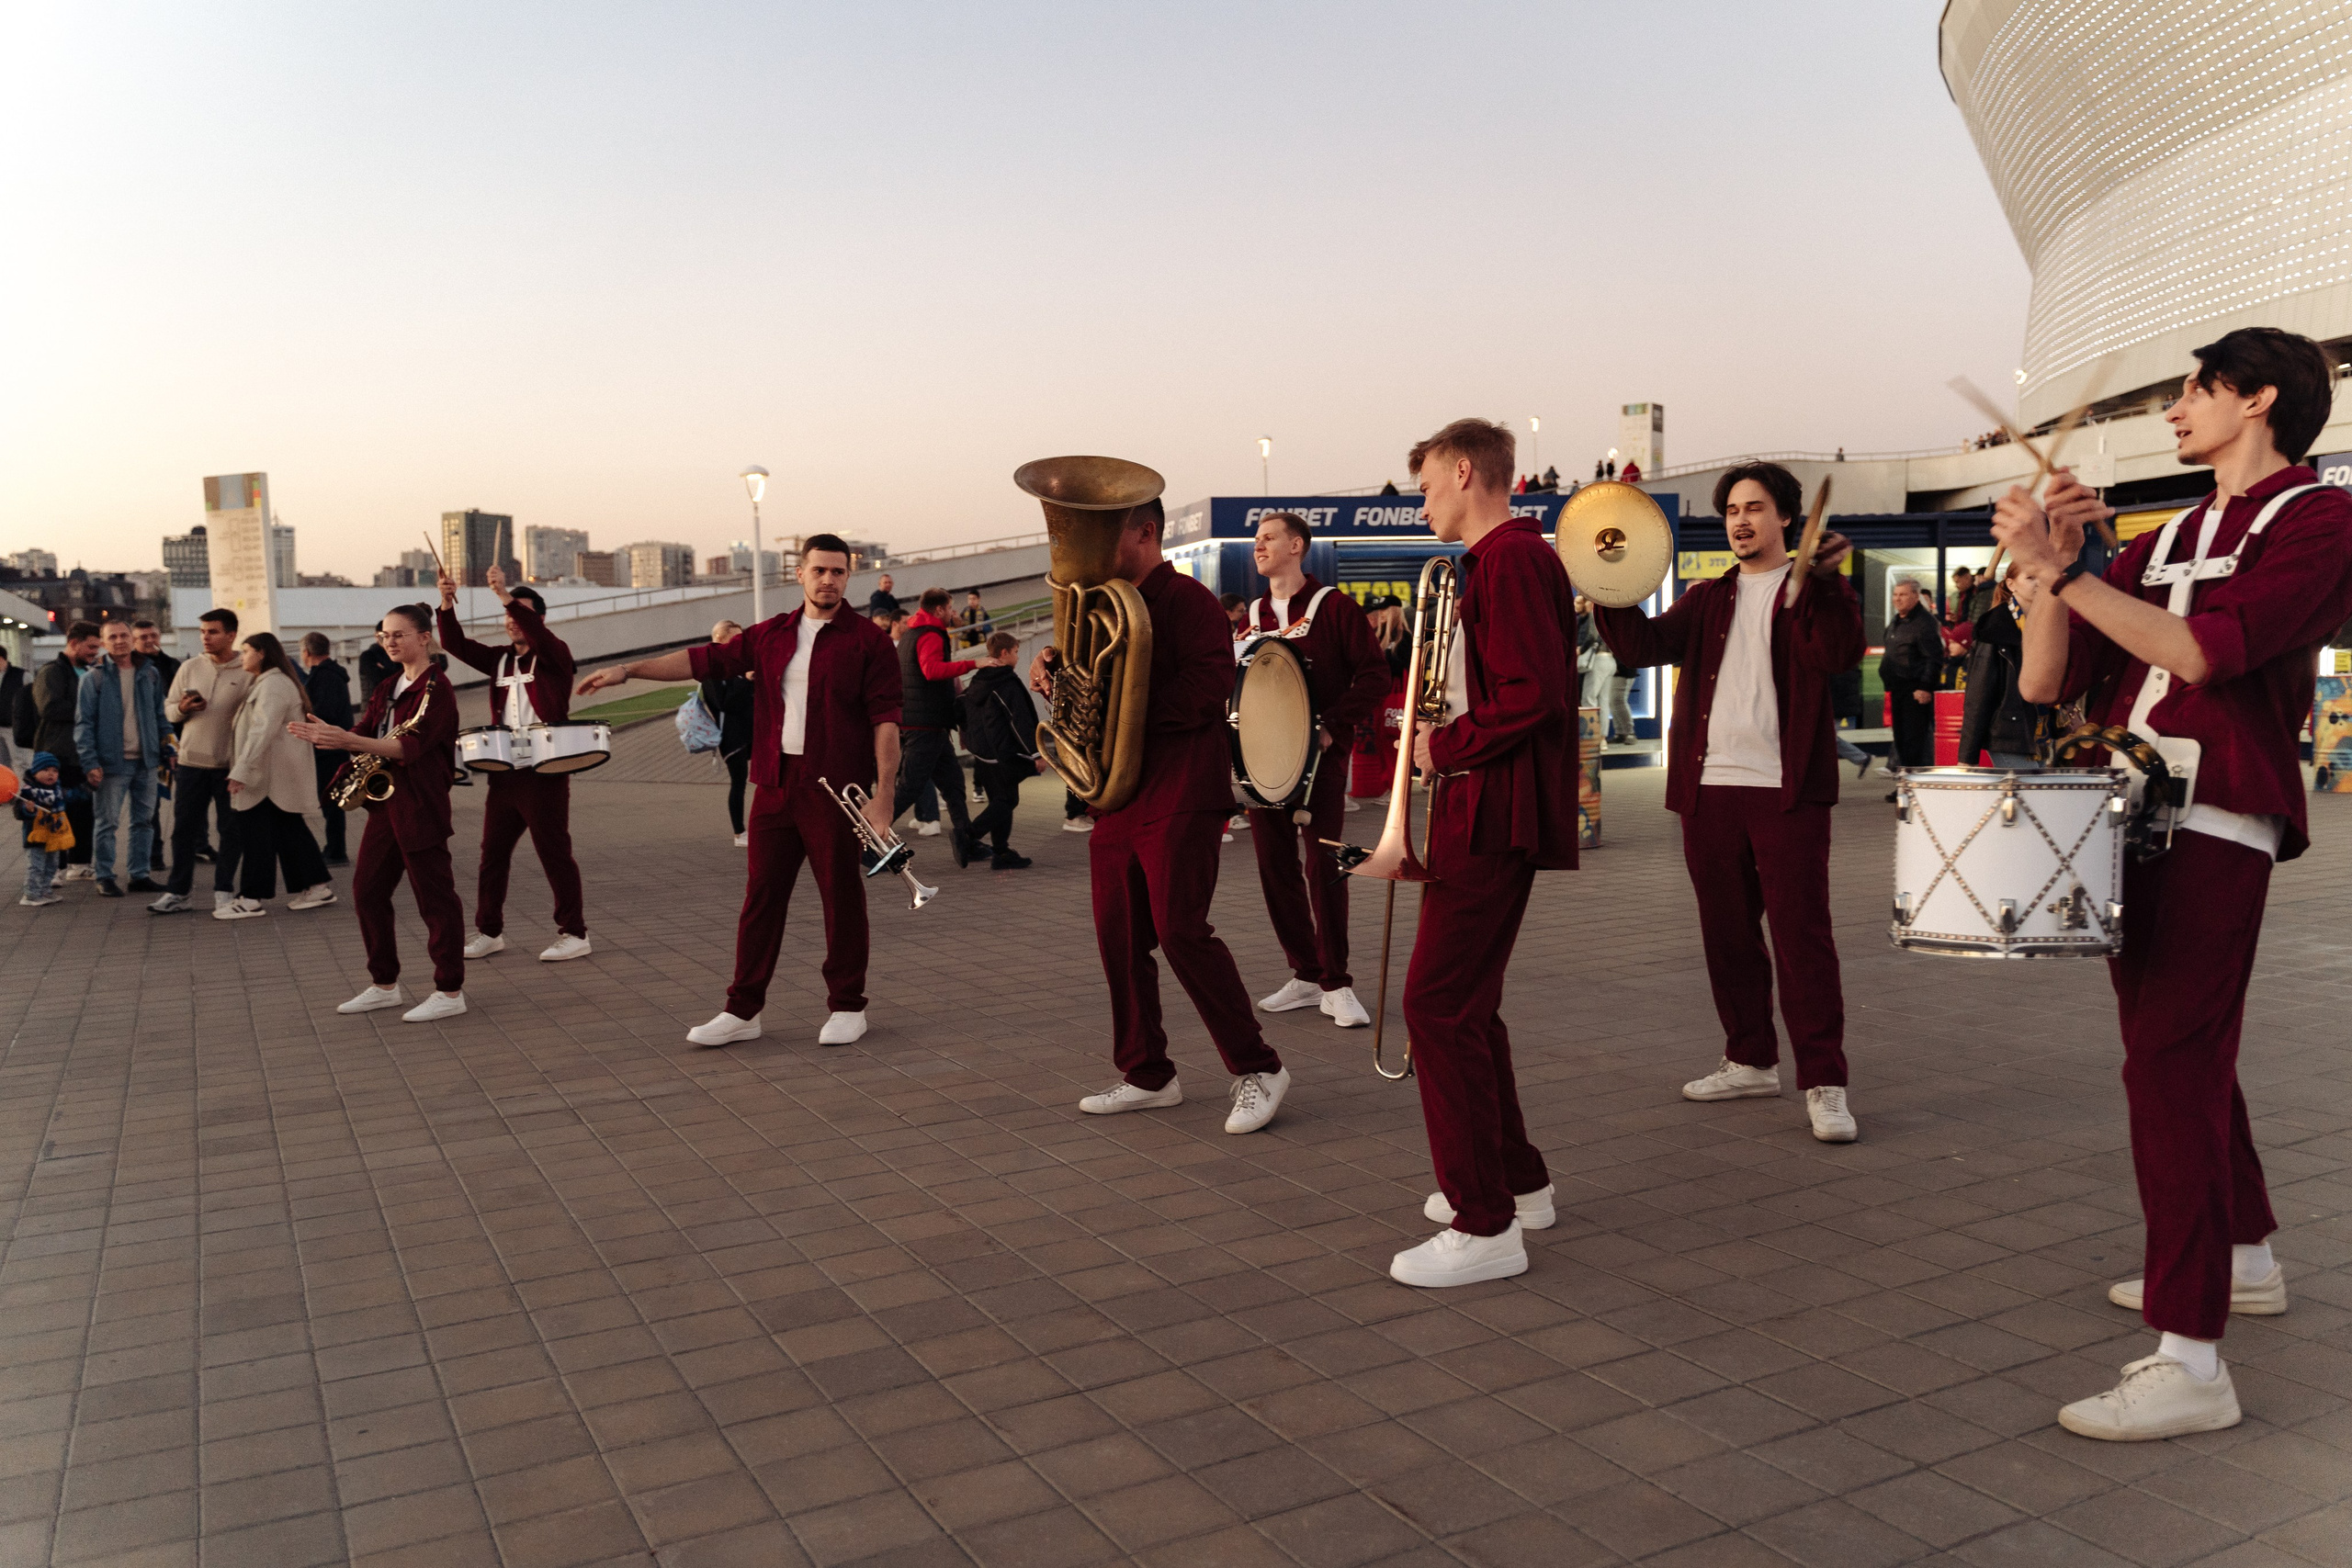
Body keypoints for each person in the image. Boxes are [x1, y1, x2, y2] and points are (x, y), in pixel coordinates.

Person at [1995, 326, 2352, 1441]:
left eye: (2193, 390)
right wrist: (2050, 566)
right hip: (2132, 807)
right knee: (2178, 1048)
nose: (2173, 409)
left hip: (2219, 811)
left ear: (2256, 401)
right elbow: (2053, 677)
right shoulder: (2166, 533)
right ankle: (2241, 1257)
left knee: (2168, 1060)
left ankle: (2192, 1359)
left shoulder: (2322, 519)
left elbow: (2205, 655)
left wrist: (2070, 570)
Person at [1595, 460, 1864, 1145]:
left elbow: (1837, 654)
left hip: (1785, 790)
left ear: (1785, 519)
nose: (1741, 520)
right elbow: (1642, 645)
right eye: (1732, 510)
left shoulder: (1810, 589)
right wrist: (1609, 585)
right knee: (1728, 934)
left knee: (1803, 937)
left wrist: (1828, 584)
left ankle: (1824, 1080)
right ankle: (1749, 1058)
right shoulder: (1708, 597)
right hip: (1709, 790)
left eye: (1755, 507)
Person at [1028, 495, 1290, 1134]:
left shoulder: (1191, 603)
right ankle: (1147, 1072)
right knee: (1119, 937)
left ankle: (1259, 1068)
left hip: (1181, 787)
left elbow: (1205, 690)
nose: (1087, 549)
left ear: (1145, 533)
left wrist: (1118, 704)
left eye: (1103, 533)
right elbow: (1086, 678)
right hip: (1119, 794)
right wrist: (1057, 671)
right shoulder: (1097, 606)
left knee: (1180, 930)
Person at [1386, 418, 1577, 1288]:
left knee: (1435, 1006)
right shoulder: (1499, 563)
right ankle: (1518, 1183)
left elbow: (1532, 695)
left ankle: (1484, 1222)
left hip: (1490, 812)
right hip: (1486, 809)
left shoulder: (1508, 560)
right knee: (1468, 1005)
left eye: (1427, 484)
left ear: (1466, 472)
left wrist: (1443, 745)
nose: (1422, 500)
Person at [579, 535, 900, 1047]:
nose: (828, 580)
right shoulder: (770, 635)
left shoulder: (870, 642)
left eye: (838, 572)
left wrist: (884, 797)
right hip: (774, 785)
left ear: (848, 577)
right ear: (800, 574)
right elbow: (701, 660)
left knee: (841, 897)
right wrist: (628, 671)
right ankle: (742, 1011)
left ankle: (846, 1005)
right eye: (819, 571)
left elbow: (886, 723)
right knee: (761, 898)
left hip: (835, 788)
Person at [1237, 512, 1386, 1030]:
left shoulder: (1334, 608)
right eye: (1257, 539)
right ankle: (1304, 973)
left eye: (1269, 538)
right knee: (1273, 868)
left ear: (1297, 546)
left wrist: (1332, 724)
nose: (1259, 546)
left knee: (1324, 867)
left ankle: (1337, 983)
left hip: (1319, 763)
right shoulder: (1249, 616)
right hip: (1261, 766)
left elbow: (1374, 675)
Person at [291, 605, 468, 1021]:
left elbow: (408, 748)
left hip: (421, 806)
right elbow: (369, 729)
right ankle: (384, 984)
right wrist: (338, 738)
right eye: (384, 635)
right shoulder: (388, 684)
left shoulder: (437, 689)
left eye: (398, 634)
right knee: (367, 893)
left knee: (435, 900)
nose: (388, 641)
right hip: (385, 806)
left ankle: (449, 989)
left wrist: (346, 740)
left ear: (424, 637)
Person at [436, 565, 592, 963]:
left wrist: (506, 595)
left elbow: (541, 636)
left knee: (554, 852)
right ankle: (489, 931)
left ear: (538, 618)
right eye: (506, 615)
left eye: (518, 613)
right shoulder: (500, 660)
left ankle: (574, 933)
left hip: (546, 772)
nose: (511, 620)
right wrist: (447, 602)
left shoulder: (555, 655)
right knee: (492, 855)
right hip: (505, 774)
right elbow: (455, 644)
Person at [216, 632, 334, 919]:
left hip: (267, 776)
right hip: (271, 776)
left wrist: (241, 770)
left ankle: (252, 898)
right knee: (287, 830)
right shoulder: (271, 682)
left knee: (257, 834)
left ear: (262, 653)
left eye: (246, 651)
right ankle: (316, 887)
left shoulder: (274, 685)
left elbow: (262, 731)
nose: (242, 656)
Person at [152, 610, 254, 913]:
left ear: (232, 635)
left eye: (213, 632)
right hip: (191, 763)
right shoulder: (190, 667)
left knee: (230, 831)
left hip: (227, 766)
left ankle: (224, 890)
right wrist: (182, 708)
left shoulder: (248, 671)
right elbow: (168, 711)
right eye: (203, 632)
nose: (205, 637)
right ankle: (178, 892)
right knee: (183, 830)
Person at [74, 617, 168, 897]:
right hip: (111, 763)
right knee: (107, 823)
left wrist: (167, 748)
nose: (119, 641)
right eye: (112, 637)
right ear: (103, 642)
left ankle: (139, 874)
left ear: (132, 638)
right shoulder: (94, 678)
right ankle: (104, 875)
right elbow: (84, 724)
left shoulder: (149, 674)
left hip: (146, 761)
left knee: (144, 821)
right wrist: (90, 762)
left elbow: (160, 716)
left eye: (123, 635)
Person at [892, 587, 978, 868]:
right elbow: (931, 670)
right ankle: (865, 840)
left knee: (953, 785)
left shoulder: (911, 633)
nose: (954, 613)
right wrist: (973, 663)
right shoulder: (930, 634)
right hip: (925, 724)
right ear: (939, 610)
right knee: (909, 787)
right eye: (951, 608)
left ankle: (967, 841)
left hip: (929, 723)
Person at [24, 623, 102, 880]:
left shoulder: (88, 670)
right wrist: (89, 710)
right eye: (91, 646)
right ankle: (55, 868)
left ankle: (80, 864)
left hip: (82, 753)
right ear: (73, 642)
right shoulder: (52, 672)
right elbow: (50, 708)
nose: (95, 651)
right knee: (56, 811)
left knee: (82, 811)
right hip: (57, 754)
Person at [961, 632, 1041, 868]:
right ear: (1004, 653)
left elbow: (966, 708)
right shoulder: (1005, 682)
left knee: (1000, 800)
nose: (1017, 657)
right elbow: (1019, 719)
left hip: (983, 753)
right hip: (1001, 753)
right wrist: (1035, 753)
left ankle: (1001, 852)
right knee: (1007, 799)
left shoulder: (980, 679)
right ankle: (969, 836)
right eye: (1015, 652)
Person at [1953, 568, 2047, 767]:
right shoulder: (1996, 626)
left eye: (2042, 577)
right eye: (2031, 577)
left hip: (2041, 733)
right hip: (2009, 735)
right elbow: (1978, 693)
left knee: (2034, 795)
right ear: (2011, 584)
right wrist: (1966, 758)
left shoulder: (2046, 622)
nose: (2039, 583)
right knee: (2026, 794)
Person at [1879, 579, 1942, 792]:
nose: (1897, 599)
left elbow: (1933, 657)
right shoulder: (1897, 621)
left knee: (1914, 741)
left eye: (1903, 595)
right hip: (1897, 690)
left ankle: (1913, 787)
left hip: (1915, 691)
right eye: (1895, 595)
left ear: (1916, 596)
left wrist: (1925, 687)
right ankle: (1904, 786)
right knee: (1901, 740)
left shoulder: (1924, 623)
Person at [701, 619, 757, 847]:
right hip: (730, 735)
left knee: (768, 780)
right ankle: (739, 833)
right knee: (739, 781)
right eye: (735, 638)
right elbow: (724, 703)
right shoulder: (711, 668)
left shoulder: (738, 663)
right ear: (720, 639)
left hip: (752, 729)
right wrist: (746, 679)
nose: (740, 643)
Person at [300, 633, 355, 864]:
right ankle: (333, 848)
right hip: (332, 746)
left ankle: (336, 850)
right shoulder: (330, 674)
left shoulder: (324, 677)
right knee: (331, 800)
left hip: (329, 747)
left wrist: (303, 716)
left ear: (306, 653)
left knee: (331, 800)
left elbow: (325, 711)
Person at [1351, 595, 1408, 803]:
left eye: (1385, 609)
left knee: (1394, 743)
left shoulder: (1404, 638)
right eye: (1379, 610)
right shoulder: (1382, 637)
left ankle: (1397, 789)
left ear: (1394, 611)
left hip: (1397, 696)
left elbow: (1402, 669)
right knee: (1384, 744)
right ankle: (1389, 787)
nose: (1381, 614)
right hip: (1385, 698)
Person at [14, 752, 81, 908]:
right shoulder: (28, 792)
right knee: (36, 866)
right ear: (35, 772)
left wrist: (86, 789)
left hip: (54, 835)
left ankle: (45, 890)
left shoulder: (57, 790)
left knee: (52, 864)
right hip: (35, 837)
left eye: (55, 771)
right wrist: (28, 810)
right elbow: (19, 813)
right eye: (46, 770)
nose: (51, 774)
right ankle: (31, 894)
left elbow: (71, 796)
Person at [356, 637, 397, 707]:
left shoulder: (395, 655)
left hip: (391, 703)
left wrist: (384, 669)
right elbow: (377, 677)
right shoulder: (368, 655)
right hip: (373, 705)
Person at [0, 645, 22, 773]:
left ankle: (20, 789)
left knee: (18, 761)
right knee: (2, 763)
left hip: (13, 726)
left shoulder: (19, 675)